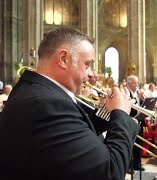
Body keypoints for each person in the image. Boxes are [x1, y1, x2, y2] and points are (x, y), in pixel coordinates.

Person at [0, 27, 140, 180]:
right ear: (63, 59)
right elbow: (110, 173)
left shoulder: (36, 91)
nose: (92, 74)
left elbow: (72, 135)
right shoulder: (48, 105)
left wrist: (105, 112)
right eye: (87, 65)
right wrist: (121, 114)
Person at [126, 75, 145, 172]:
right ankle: (128, 166)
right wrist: (136, 97)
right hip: (130, 122)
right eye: (135, 83)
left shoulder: (136, 92)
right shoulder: (126, 92)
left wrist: (143, 100)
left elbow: (140, 106)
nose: (137, 85)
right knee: (130, 145)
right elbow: (128, 105)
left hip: (139, 121)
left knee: (139, 143)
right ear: (129, 83)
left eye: (137, 82)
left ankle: (137, 164)